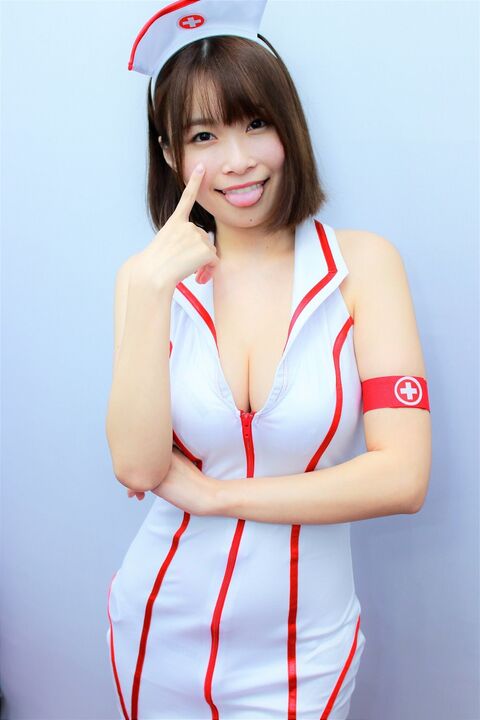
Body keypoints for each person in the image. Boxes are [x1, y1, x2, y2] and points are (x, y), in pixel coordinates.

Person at [105, 1, 432, 718]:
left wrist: (218, 496)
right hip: (157, 634)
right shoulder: (146, 280)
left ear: (289, 127)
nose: (237, 160)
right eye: (204, 135)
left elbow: (403, 476)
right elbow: (137, 466)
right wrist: (153, 287)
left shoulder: (363, 267)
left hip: (303, 654)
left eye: (255, 123)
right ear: (170, 155)